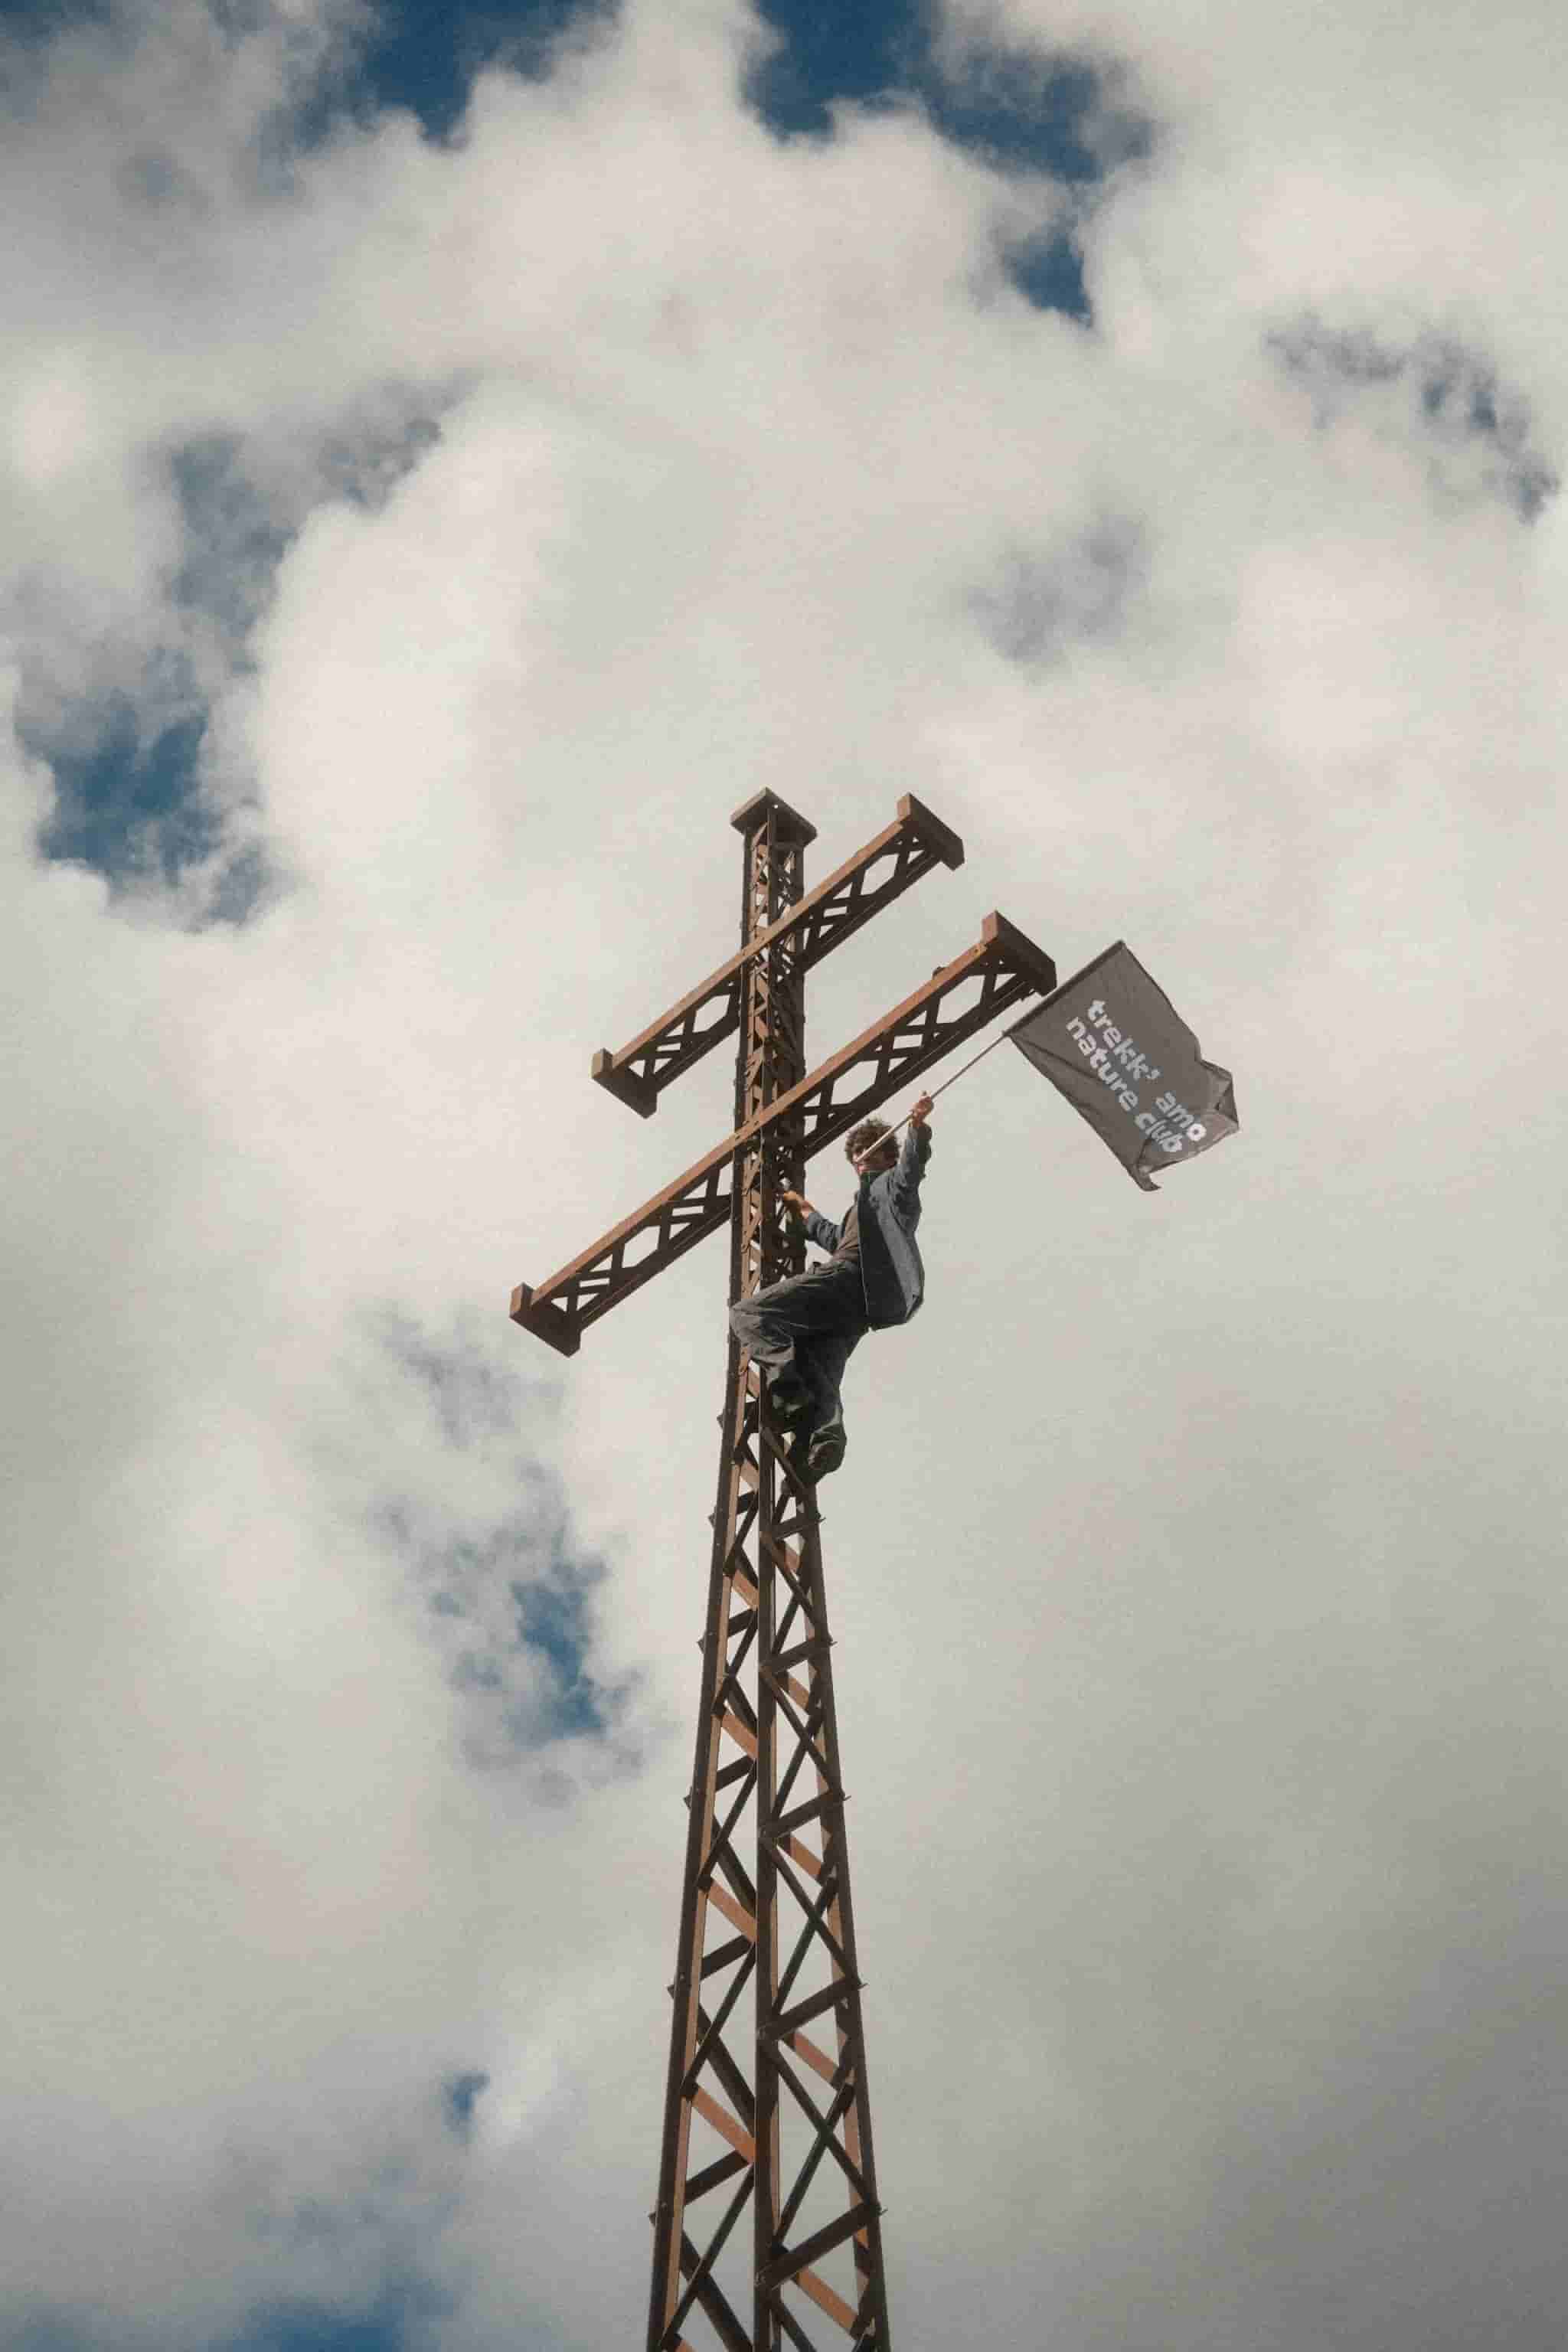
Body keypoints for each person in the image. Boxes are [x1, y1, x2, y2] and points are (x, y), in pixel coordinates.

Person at [727, 1093, 935, 1480]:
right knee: (821, 1371)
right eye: (857, 1155)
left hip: (849, 1279)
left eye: (869, 1152)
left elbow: (910, 1172)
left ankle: (790, 1396)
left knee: (749, 1315)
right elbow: (834, 1236)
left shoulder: (890, 1189)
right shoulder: (864, 1210)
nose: (861, 1158)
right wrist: (803, 1210)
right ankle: (825, 1439)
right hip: (860, 1309)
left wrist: (917, 1129)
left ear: (888, 1157)